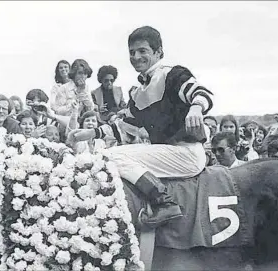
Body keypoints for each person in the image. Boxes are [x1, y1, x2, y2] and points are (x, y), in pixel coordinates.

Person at [69, 26, 213, 227]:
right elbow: (124, 127)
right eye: (132, 52)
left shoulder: (172, 75)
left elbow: (201, 93)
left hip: (186, 154)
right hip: (167, 151)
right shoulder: (138, 93)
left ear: (158, 52)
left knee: (110, 158)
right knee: (110, 153)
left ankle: (165, 202)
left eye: (142, 51)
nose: (136, 57)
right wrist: (91, 133)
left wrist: (196, 108)